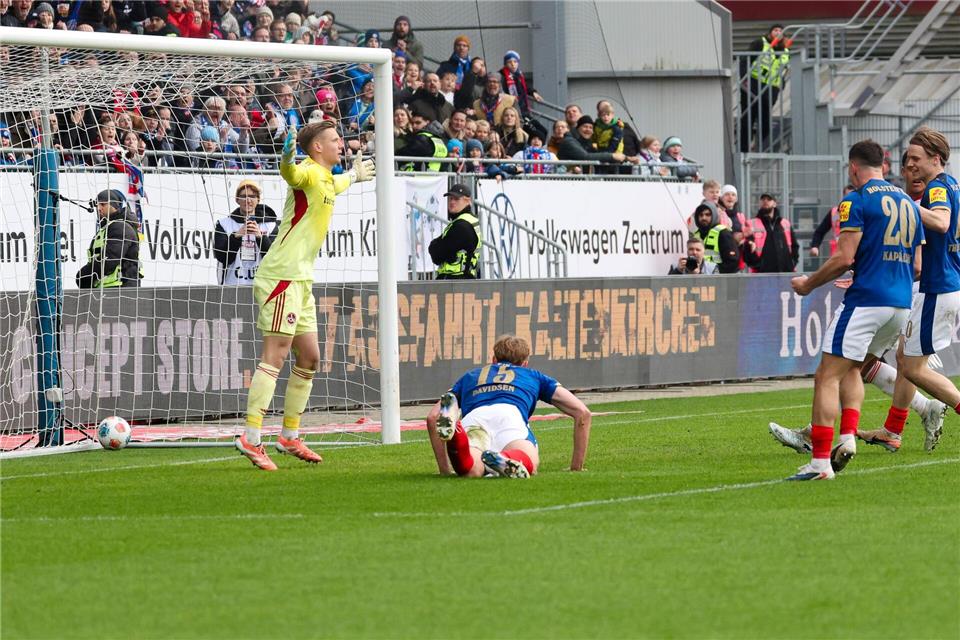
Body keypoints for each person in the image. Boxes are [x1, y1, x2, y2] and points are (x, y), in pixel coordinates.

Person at [771, 158, 945, 455]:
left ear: (853, 167)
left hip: (878, 298)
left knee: (831, 373)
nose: (911, 171)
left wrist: (810, 284)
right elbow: (916, 265)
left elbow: (844, 257)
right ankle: (910, 412)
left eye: (915, 163)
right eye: (908, 165)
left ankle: (823, 450)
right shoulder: (908, 203)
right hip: (903, 299)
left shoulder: (860, 199)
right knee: (858, 368)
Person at [236, 120, 376, 471]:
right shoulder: (309, 172)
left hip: (301, 280)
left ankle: (289, 435)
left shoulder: (326, 178)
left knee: (310, 357)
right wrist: (286, 157)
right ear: (317, 147)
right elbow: (292, 174)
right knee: (276, 354)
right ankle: (251, 437)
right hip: (281, 276)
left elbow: (337, 184)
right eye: (335, 140)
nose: (341, 144)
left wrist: (355, 176)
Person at [856, 128, 960, 453]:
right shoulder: (953, 185)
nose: (911, 164)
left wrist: (906, 204)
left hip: (937, 287)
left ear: (936, 158)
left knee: (913, 368)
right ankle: (892, 430)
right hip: (944, 284)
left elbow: (941, 222)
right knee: (904, 358)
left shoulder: (937, 188)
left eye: (916, 158)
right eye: (908, 158)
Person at [425, 334, 592, 478]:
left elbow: (433, 417)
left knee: (471, 469)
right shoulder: (534, 376)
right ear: (525, 363)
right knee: (529, 459)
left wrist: (444, 470)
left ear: (494, 360)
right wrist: (576, 467)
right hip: (510, 417)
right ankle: (506, 458)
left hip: (475, 417)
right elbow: (582, 413)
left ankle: (457, 435)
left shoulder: (470, 376)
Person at [214, 180, 279, 285]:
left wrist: (261, 238)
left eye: (252, 196)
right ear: (237, 199)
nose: (248, 200)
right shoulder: (224, 224)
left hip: (263, 286)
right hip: (232, 286)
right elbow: (221, 257)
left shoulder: (270, 225)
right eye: (244, 196)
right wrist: (236, 237)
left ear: (258, 199)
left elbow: (276, 258)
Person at [739, 24, 790, 152]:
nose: (778, 32)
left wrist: (781, 84)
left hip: (771, 88)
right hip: (753, 83)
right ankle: (744, 150)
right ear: (770, 32)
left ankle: (763, 149)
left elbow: (784, 70)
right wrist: (744, 78)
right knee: (748, 118)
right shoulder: (760, 43)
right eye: (775, 30)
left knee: (765, 119)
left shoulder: (786, 51)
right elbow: (745, 60)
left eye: (780, 31)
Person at [76, 189, 141, 289]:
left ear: (114, 205)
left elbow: (109, 260)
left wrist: (83, 276)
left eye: (103, 204)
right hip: (111, 289)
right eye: (97, 205)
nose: (98, 208)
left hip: (121, 289)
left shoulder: (120, 227)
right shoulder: (109, 227)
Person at [429, 183, 481, 278]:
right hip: (462, 279)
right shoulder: (468, 220)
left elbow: (437, 255)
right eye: (450, 198)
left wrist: (436, 244)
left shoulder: (461, 225)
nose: (452, 202)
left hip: (456, 280)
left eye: (456, 199)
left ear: (467, 201)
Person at [743, 193, 799, 273]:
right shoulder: (752, 223)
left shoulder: (785, 223)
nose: (765, 201)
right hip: (762, 274)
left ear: (775, 204)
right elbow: (747, 248)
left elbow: (794, 246)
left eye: (769, 199)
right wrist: (757, 266)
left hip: (785, 272)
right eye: (763, 199)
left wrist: (792, 263)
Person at [691, 201, 739, 274]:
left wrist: (714, 272)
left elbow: (732, 263)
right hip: (699, 278)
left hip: (719, 278)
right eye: (701, 215)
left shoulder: (722, 233)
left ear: (714, 215)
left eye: (707, 214)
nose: (704, 218)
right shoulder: (696, 235)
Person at [810, 185, 855, 258]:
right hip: (838, 253)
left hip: (856, 253)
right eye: (847, 196)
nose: (850, 200)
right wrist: (815, 246)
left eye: (852, 197)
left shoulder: (862, 211)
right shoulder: (835, 213)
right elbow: (820, 231)